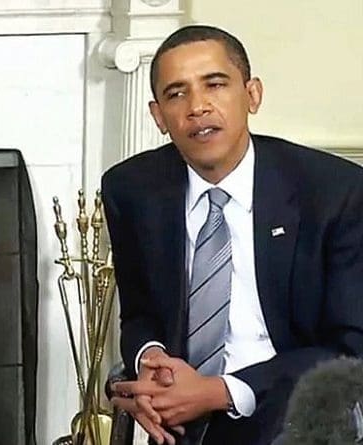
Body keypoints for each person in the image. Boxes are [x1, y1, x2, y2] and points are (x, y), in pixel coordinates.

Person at [102, 25, 363, 445]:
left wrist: (218, 392)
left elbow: (352, 347)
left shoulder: (334, 192)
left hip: (290, 408)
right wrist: (150, 360)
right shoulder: (132, 190)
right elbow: (139, 314)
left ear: (252, 95)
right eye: (176, 93)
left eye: (215, 84)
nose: (198, 107)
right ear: (158, 117)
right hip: (180, 421)